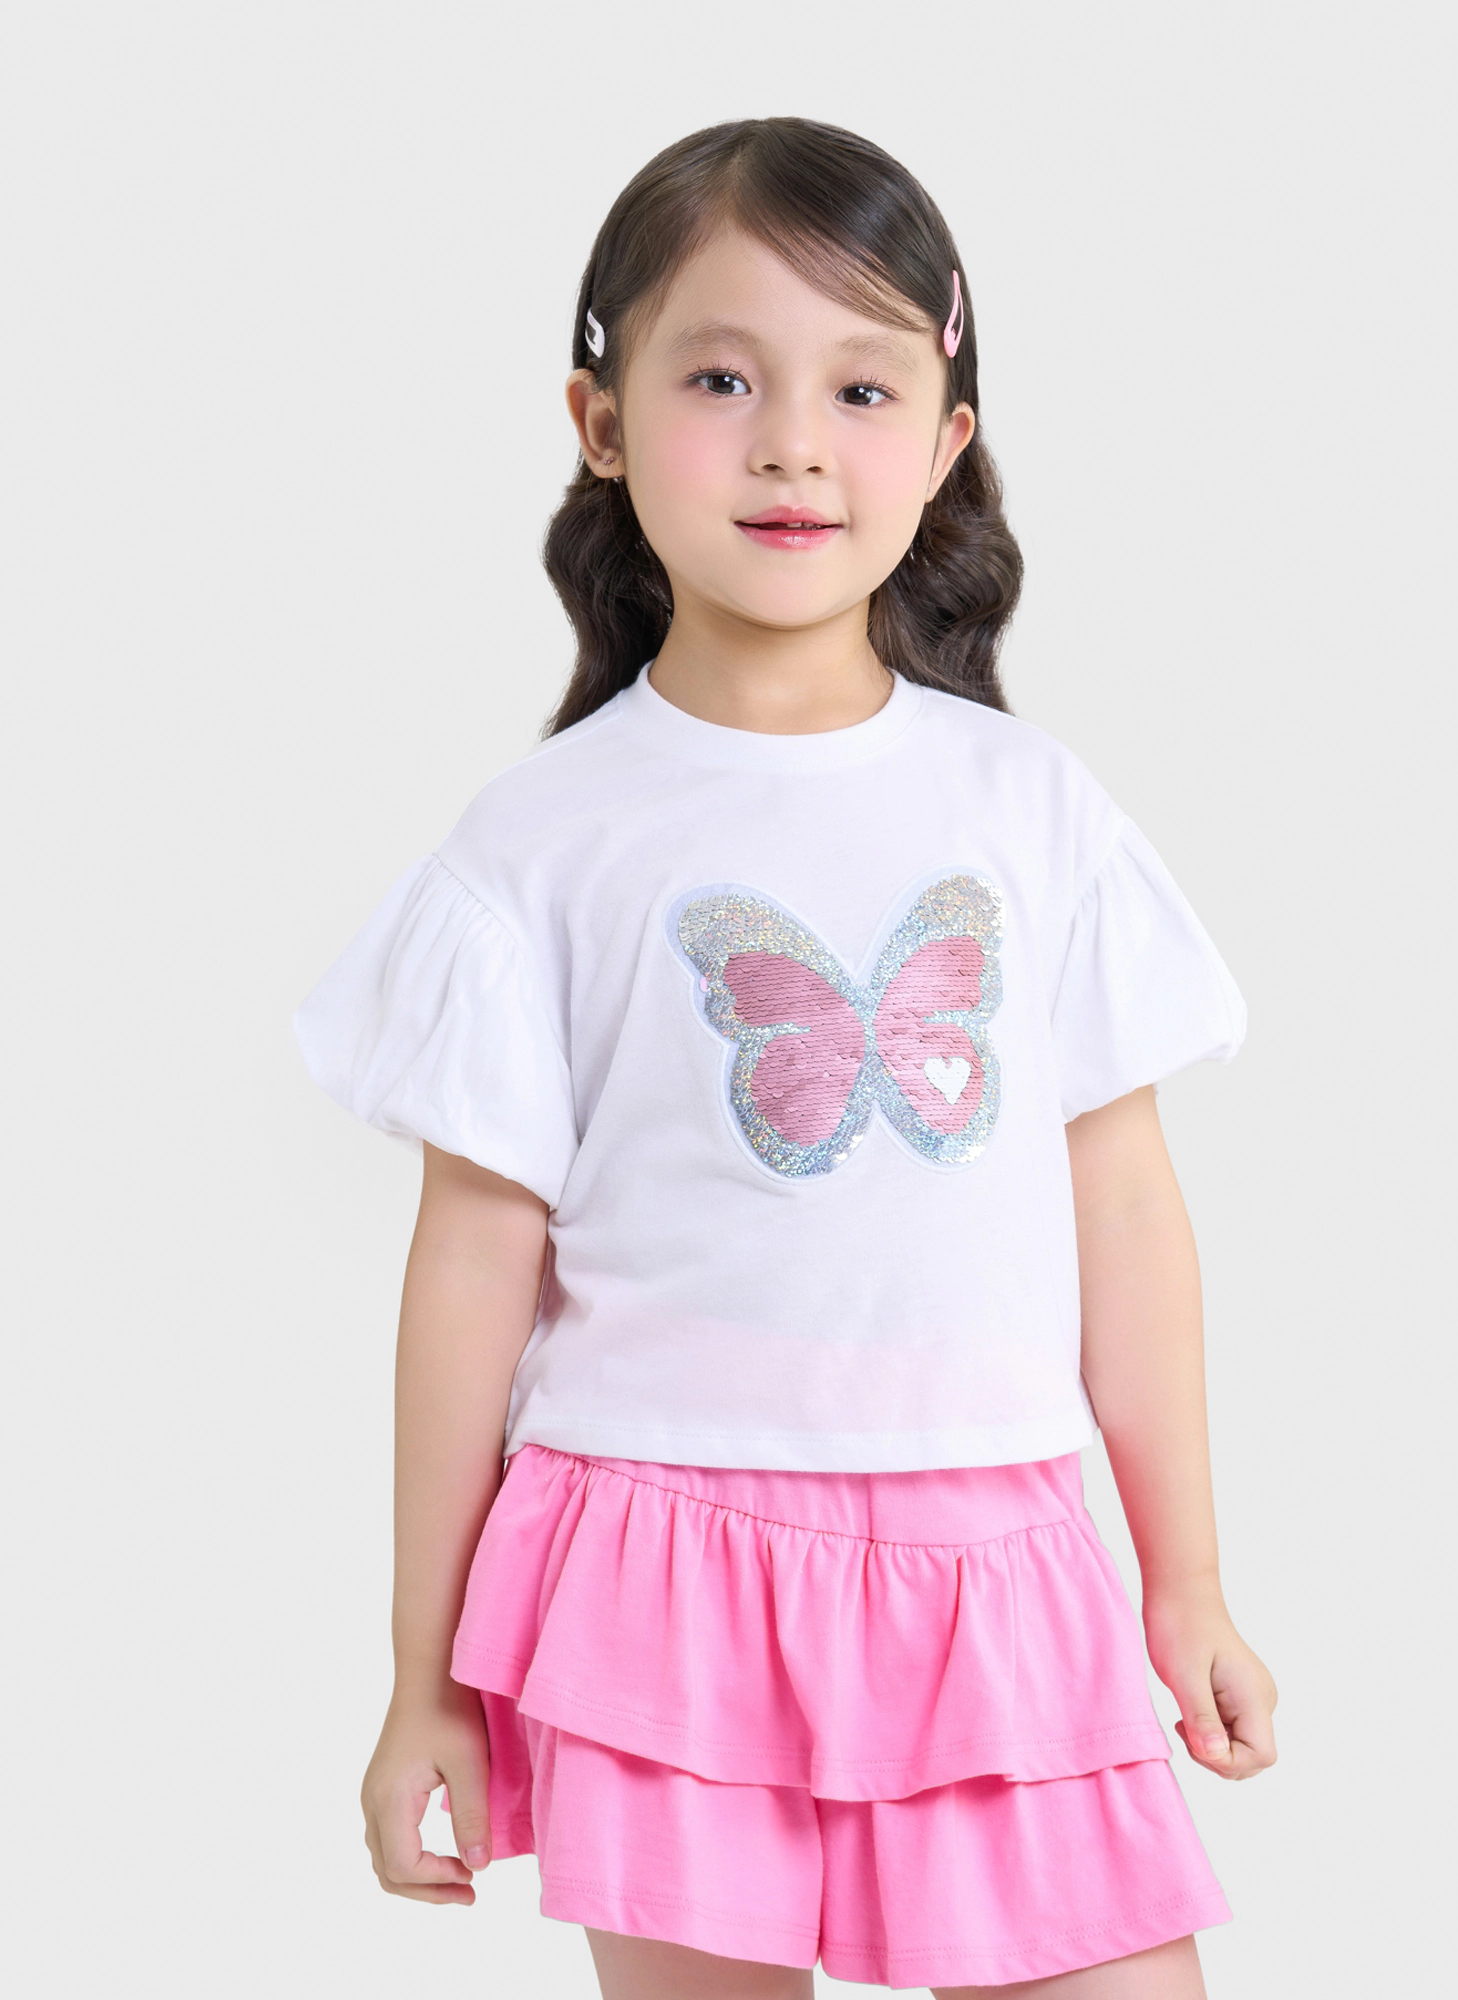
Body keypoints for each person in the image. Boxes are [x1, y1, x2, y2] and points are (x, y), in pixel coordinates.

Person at [294, 116, 1277, 1999]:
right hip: (654, 1565)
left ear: (948, 438)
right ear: (600, 423)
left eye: (862, 386)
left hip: (998, 1563)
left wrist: (1187, 1578)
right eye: (721, 378)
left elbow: (1129, 1214)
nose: (793, 443)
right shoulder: (538, 843)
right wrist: (423, 1683)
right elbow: (470, 1271)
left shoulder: (1034, 807)